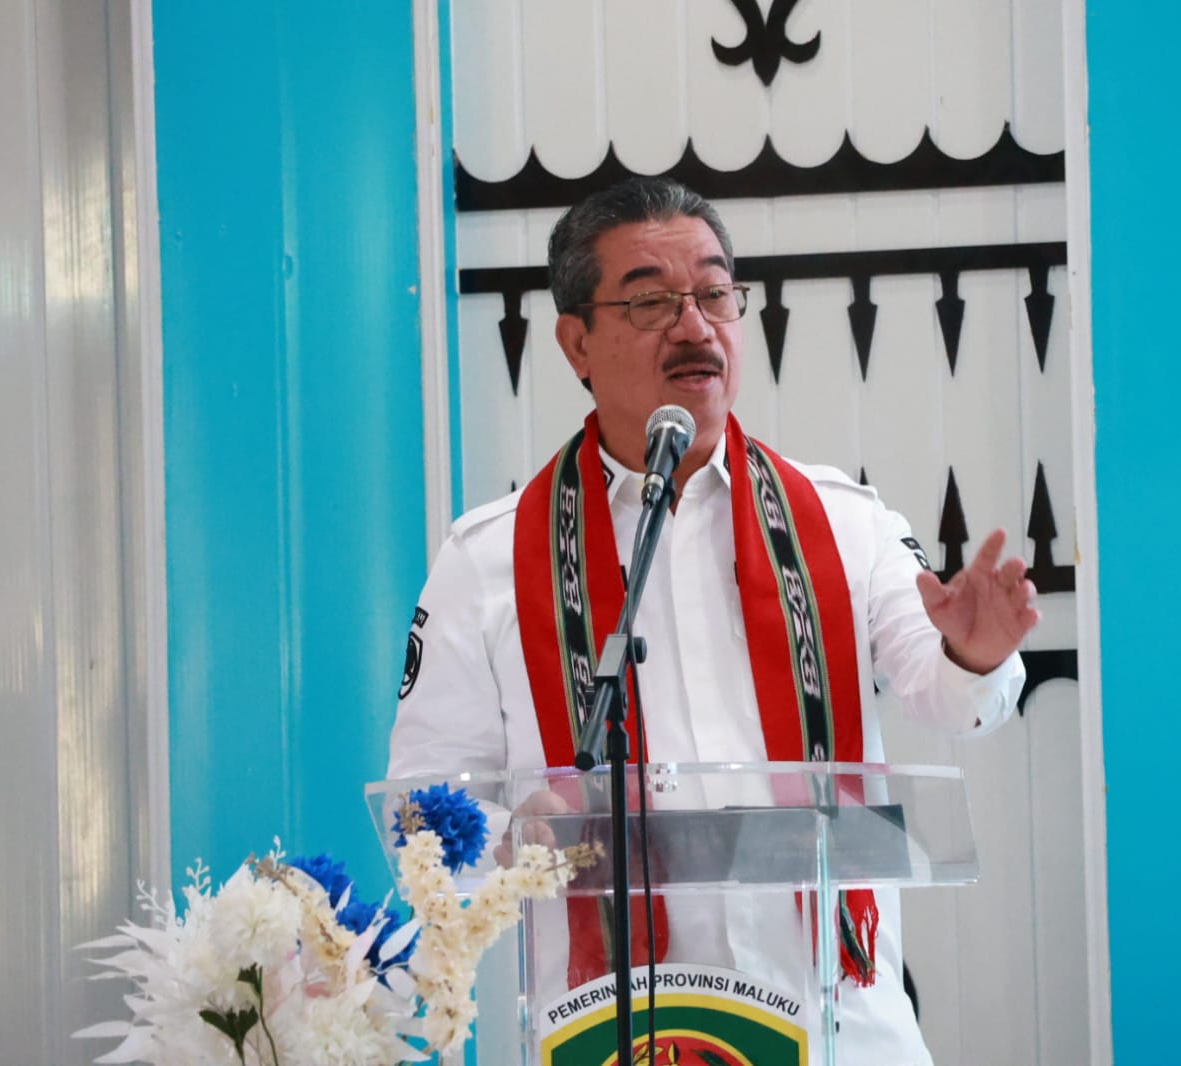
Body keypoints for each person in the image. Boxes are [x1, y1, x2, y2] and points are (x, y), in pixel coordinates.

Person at [388, 176, 1039, 1064]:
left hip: (840, 1031)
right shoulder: (488, 559)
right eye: (650, 301)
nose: (694, 326)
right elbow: (421, 816)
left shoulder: (842, 520)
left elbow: (953, 698)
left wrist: (972, 651)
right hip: (614, 1035)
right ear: (576, 342)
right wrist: (514, 838)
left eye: (714, 293)